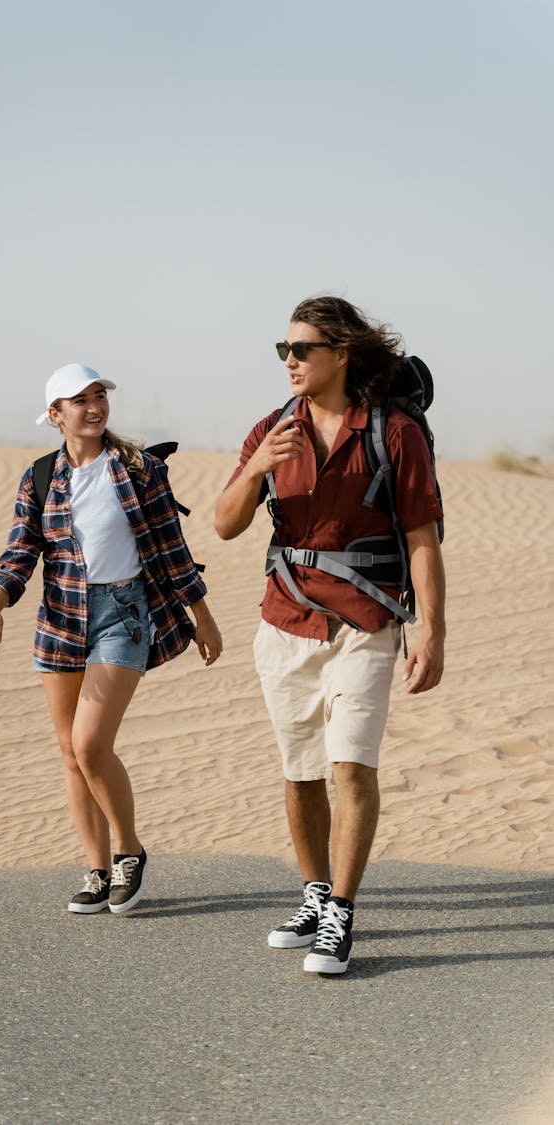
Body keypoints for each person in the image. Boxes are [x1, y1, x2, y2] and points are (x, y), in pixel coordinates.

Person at [214, 297, 445, 974]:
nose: (290, 360)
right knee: (302, 770)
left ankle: (341, 911)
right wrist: (259, 466)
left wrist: (433, 632)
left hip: (367, 622)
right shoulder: (271, 429)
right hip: (285, 621)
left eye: (302, 349)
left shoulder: (393, 431)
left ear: (340, 355)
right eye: (283, 350)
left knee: (351, 765)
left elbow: (422, 539)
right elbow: (226, 524)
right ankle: (314, 894)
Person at [0, 363, 222, 915]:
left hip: (124, 614)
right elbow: (21, 549)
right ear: (55, 415)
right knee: (70, 753)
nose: (94, 407)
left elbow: (170, 548)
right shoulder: (40, 477)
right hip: (61, 619)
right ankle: (94, 868)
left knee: (91, 744)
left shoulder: (139, 469)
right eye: (79, 400)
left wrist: (201, 616)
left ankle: (128, 849)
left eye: (99, 396)